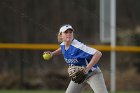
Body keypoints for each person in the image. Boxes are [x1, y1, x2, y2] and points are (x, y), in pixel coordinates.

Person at [43, 24, 108, 93]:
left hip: (92, 74)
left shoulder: (78, 47)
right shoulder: (63, 44)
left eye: (70, 32)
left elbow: (98, 54)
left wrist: (86, 69)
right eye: (66, 32)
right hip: (78, 75)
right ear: (61, 36)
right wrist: (52, 53)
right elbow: (62, 49)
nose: (69, 34)